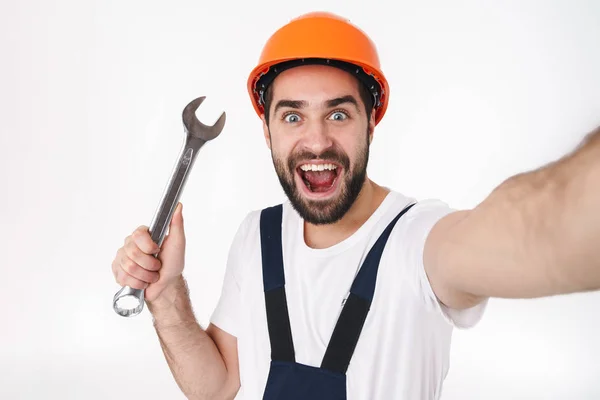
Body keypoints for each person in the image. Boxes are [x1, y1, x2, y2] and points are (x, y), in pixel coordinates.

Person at [111, 11, 600, 400]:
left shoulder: (420, 240)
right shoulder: (256, 236)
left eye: (339, 114)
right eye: (293, 116)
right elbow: (214, 387)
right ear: (268, 131)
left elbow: (530, 231)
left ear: (372, 122)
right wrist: (167, 291)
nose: (316, 141)